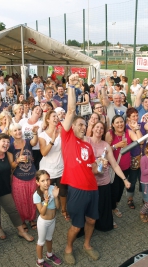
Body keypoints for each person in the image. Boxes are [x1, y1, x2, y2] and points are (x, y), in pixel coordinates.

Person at [61, 74, 101, 265]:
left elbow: (94, 169)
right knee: (76, 225)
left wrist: (101, 165)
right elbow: (70, 110)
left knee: (91, 220)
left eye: (85, 125)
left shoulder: (87, 146)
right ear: (72, 126)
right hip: (77, 189)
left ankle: (87, 245)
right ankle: (68, 248)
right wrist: (71, 85)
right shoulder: (67, 137)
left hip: (93, 188)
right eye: (80, 124)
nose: (83, 127)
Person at [0, 134, 34, 242]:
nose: (6, 144)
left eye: (7, 142)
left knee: (13, 210)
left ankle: (21, 231)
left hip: (5, 188)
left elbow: (12, 166)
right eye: (3, 141)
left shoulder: (6, 155)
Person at [87, 121, 130, 231]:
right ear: (92, 129)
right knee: (88, 207)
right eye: (97, 127)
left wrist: (124, 179)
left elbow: (115, 165)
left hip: (103, 182)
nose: (99, 129)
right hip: (89, 182)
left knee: (102, 206)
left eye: (102, 128)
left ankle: (103, 224)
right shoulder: (86, 141)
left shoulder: (106, 145)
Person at [105, 115, 139, 218]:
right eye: (117, 122)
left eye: (121, 122)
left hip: (126, 167)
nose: (120, 124)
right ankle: (109, 210)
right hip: (113, 168)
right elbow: (105, 150)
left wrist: (137, 129)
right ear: (113, 125)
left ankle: (115, 206)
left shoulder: (128, 132)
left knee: (120, 190)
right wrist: (116, 146)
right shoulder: (110, 134)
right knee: (113, 190)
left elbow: (139, 140)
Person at [39, 110, 69, 222]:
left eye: (57, 116)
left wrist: (62, 134)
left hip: (61, 168)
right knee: (46, 190)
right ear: (48, 119)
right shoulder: (42, 135)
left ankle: (64, 210)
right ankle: (45, 209)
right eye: (53, 116)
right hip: (47, 170)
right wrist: (52, 140)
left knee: (63, 191)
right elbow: (43, 153)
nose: (56, 118)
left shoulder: (61, 132)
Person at [8, 123, 39, 231]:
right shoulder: (10, 147)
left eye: (19, 129)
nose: (18, 132)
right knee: (20, 201)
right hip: (18, 178)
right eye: (15, 130)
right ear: (11, 133)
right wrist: (18, 160)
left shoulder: (27, 142)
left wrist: (35, 132)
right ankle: (22, 221)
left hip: (32, 175)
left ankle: (31, 219)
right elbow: (11, 165)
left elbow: (34, 142)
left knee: (32, 199)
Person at [33, 170, 63, 267]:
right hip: (43, 222)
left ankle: (49, 255)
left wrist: (56, 197)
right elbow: (42, 212)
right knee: (41, 242)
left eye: (47, 179)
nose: (46, 183)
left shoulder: (53, 188)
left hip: (52, 220)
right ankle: (40, 261)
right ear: (37, 182)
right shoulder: (36, 195)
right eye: (42, 181)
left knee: (49, 238)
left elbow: (58, 207)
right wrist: (45, 201)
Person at [19, 105, 43, 170]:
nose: (38, 111)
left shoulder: (41, 123)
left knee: (36, 169)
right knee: (25, 168)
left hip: (37, 150)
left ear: (41, 114)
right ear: (32, 110)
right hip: (25, 149)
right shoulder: (23, 121)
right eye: (37, 109)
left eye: (40, 110)